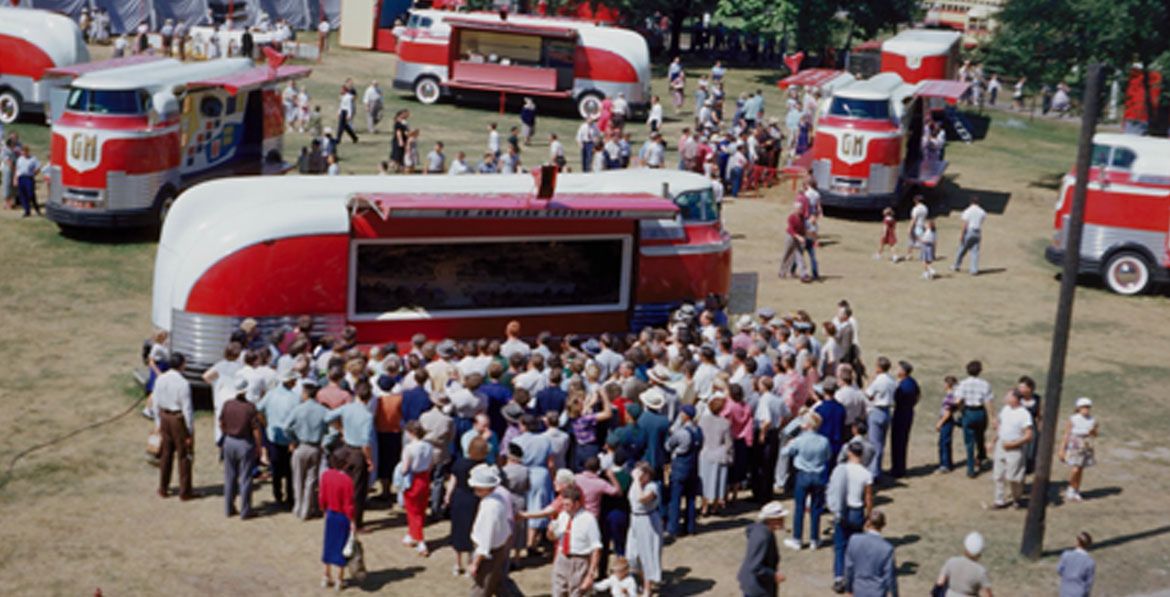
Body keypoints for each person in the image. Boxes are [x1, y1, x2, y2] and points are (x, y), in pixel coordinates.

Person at [327, 380, 375, 529]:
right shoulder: (367, 416)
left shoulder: (346, 408)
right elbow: (366, 443)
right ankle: (356, 522)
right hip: (358, 453)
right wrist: (369, 459)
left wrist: (340, 428)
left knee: (344, 486)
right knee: (358, 490)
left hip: (345, 450)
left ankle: (342, 515)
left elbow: (327, 417)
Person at [828, 442, 873, 590]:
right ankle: (853, 577)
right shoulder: (866, 473)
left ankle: (839, 577)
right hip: (857, 511)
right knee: (854, 547)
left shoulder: (842, 469)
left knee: (840, 546)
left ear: (849, 453)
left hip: (843, 509)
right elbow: (868, 497)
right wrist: (869, 515)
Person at [782, 412, 830, 550]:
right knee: (816, 508)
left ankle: (797, 539)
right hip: (818, 475)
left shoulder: (799, 440)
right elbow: (828, 456)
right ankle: (815, 539)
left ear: (808, 425)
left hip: (803, 474)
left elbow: (784, 453)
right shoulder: (824, 441)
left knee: (799, 508)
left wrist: (789, 444)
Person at [257, 368, 301, 509]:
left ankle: (278, 495)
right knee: (289, 471)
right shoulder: (295, 398)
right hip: (289, 439)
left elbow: (258, 409)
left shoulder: (271, 395)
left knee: (276, 469)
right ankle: (290, 498)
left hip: (273, 437)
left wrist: (265, 423)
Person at [220, 374, 263, 518]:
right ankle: (245, 510)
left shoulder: (227, 404)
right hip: (245, 443)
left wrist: (226, 433)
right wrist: (259, 446)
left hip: (229, 441)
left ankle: (228, 508)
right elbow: (256, 429)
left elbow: (221, 423)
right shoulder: (250, 407)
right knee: (245, 478)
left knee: (230, 476)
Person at [153, 353, 195, 500]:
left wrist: (158, 422)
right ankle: (185, 491)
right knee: (184, 455)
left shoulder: (160, 379)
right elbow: (187, 409)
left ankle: (163, 488)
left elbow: (155, 402)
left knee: (166, 454)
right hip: (177, 419)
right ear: (181, 365)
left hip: (164, 417)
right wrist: (189, 430)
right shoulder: (183, 383)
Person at [549, 484, 602, 597]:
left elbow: (596, 548)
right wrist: (550, 532)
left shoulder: (588, 519)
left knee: (577, 593)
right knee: (557, 592)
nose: (564, 507)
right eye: (563, 504)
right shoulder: (562, 516)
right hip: (562, 558)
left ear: (577, 504)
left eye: (567, 504)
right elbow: (554, 537)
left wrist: (590, 575)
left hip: (579, 561)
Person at [287, 379, 329, 520]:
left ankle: (298, 506)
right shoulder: (323, 410)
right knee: (311, 480)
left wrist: (292, 438)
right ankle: (306, 509)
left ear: (305, 394)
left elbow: (286, 426)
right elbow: (332, 429)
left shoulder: (298, 409)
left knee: (298, 478)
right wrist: (325, 440)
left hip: (301, 446)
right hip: (316, 447)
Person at [448, 437, 490, 576]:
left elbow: (452, 481)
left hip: (459, 498)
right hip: (475, 499)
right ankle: (470, 563)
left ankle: (456, 564)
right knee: (474, 531)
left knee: (457, 530)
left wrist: (447, 496)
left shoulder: (459, 463)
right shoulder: (484, 467)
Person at [665, 404, 703, 538]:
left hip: (680, 466)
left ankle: (673, 528)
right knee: (691, 498)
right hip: (693, 467)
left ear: (685, 415)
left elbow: (668, 446)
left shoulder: (682, 433)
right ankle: (690, 527)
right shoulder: (699, 431)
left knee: (675, 499)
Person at [625, 462, 663, 596]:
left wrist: (636, 480)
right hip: (635, 520)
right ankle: (643, 580)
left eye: (642, 473)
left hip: (648, 521)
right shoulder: (635, 485)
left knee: (647, 555)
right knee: (632, 555)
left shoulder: (652, 487)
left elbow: (642, 499)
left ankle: (648, 587)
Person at [320, 451, 355, 589]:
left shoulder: (326, 475)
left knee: (328, 544)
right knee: (342, 547)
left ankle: (325, 575)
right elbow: (349, 504)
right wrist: (353, 520)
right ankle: (339, 579)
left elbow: (322, 496)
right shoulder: (347, 481)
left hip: (330, 513)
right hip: (342, 516)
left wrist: (324, 509)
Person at [737, 501, 788, 597]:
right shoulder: (762, 537)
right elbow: (755, 566)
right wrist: (773, 575)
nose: (783, 521)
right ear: (770, 520)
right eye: (780, 518)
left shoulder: (761, 530)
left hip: (754, 584)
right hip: (757, 588)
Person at [843, 510, 898, 597]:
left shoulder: (854, 540)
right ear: (883, 525)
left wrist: (849, 588)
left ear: (867, 523)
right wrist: (895, 594)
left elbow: (849, 567)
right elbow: (890, 576)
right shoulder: (887, 548)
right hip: (878, 592)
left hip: (859, 589)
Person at [401, 420, 435, 556]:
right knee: (420, 509)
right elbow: (431, 464)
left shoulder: (409, 448)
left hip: (413, 479)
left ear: (411, 433)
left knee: (412, 511)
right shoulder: (429, 446)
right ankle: (411, 534)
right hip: (425, 478)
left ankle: (421, 541)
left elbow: (404, 469)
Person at [956, 360, 994, 477]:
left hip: (968, 411)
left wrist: (961, 410)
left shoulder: (963, 384)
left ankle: (970, 468)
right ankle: (981, 456)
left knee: (969, 441)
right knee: (980, 435)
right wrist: (992, 417)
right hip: (980, 412)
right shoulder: (985, 384)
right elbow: (988, 401)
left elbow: (958, 400)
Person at [698, 392, 733, 515]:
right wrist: (730, 454)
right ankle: (715, 507)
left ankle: (704, 506)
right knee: (718, 481)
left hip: (705, 453)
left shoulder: (702, 420)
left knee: (705, 481)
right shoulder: (725, 423)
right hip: (719, 453)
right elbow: (728, 442)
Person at [1059, 397, 1098, 502]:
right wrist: (1062, 448)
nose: (1086, 409)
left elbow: (1095, 434)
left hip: (1086, 445)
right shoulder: (1073, 419)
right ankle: (1071, 488)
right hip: (1075, 445)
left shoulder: (1092, 420)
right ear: (1079, 408)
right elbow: (1067, 434)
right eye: (1084, 407)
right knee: (1075, 468)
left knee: (1080, 469)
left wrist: (1093, 431)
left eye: (1088, 407)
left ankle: (1076, 490)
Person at [864, 357, 896, 479]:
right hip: (887, 411)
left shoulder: (879, 380)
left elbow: (869, 394)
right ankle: (877, 469)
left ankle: (874, 472)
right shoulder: (892, 380)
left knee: (874, 443)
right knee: (881, 443)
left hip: (877, 410)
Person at [936, 532, 993, 597]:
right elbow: (988, 594)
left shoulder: (952, 561)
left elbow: (940, 583)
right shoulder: (980, 571)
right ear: (980, 552)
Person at [888, 361, 919, 478]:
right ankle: (899, 467)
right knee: (902, 441)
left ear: (903, 372)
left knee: (898, 441)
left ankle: (897, 469)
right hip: (908, 412)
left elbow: (896, 398)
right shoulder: (912, 382)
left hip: (901, 414)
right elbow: (918, 396)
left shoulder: (903, 386)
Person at [952, 197, 987, 275]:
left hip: (969, 231)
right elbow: (982, 220)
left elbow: (965, 224)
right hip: (977, 232)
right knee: (975, 252)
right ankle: (974, 269)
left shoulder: (968, 211)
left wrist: (962, 234)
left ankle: (956, 265)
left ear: (971, 202)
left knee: (962, 249)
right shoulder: (982, 211)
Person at [1057, 532, 1095, 597]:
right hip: (1080, 593)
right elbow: (1088, 583)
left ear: (1077, 542)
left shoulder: (1066, 555)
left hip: (1065, 591)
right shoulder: (1090, 562)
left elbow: (1059, 570)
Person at [936, 376, 960, 473]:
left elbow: (948, 411)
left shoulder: (950, 396)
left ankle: (945, 465)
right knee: (945, 442)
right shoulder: (952, 395)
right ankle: (947, 463)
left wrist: (940, 422)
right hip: (947, 420)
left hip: (946, 421)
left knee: (944, 443)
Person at [780, 201, 809, 281]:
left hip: (799, 238)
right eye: (799, 209)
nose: (801, 210)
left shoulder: (803, 217)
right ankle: (782, 271)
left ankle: (804, 274)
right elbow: (791, 230)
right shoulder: (791, 217)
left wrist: (804, 237)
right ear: (795, 209)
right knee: (787, 254)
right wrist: (798, 237)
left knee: (800, 256)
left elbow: (803, 228)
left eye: (801, 208)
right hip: (791, 237)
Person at [15, 146, 41, 217]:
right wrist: (15, 179)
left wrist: (34, 173)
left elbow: (38, 167)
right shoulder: (20, 159)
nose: (24, 153)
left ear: (28, 152)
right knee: (22, 194)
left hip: (29, 178)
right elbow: (17, 169)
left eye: (25, 151)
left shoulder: (33, 159)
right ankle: (27, 210)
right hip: (21, 177)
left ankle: (36, 208)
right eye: (23, 152)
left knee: (30, 194)